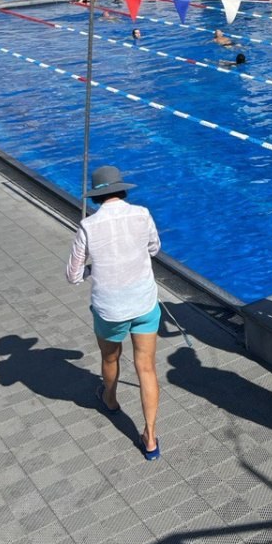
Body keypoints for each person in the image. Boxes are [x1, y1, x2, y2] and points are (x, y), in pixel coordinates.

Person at [65, 165, 162, 460]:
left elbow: (72, 274)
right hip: (144, 302)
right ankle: (150, 437)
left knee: (110, 357)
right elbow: (154, 248)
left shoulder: (88, 226)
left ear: (97, 197)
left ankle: (110, 398)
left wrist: (96, 268)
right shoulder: (142, 214)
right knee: (146, 367)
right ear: (121, 190)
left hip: (109, 308)